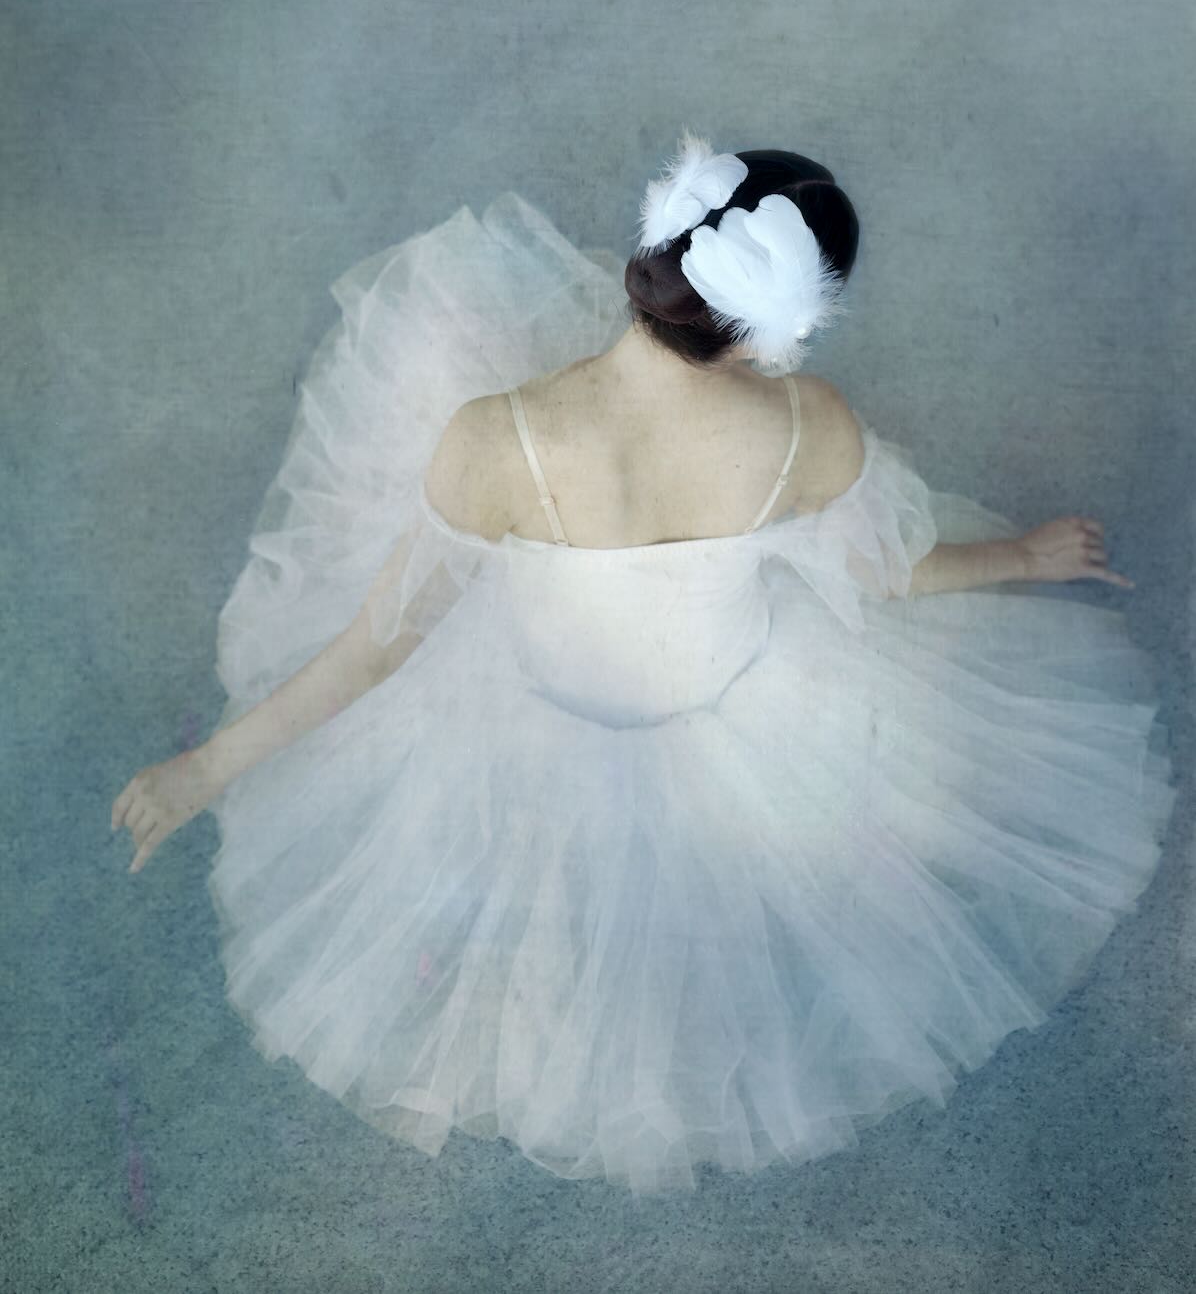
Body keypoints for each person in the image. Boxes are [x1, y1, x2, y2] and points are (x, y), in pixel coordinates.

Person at [111, 133, 1175, 1198]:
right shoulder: (810, 427)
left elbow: (373, 648)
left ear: (660, 244)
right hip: (735, 702)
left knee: (542, 922)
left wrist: (206, 768)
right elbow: (881, 572)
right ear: (777, 331)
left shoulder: (493, 439)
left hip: (534, 712)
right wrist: (1019, 557)